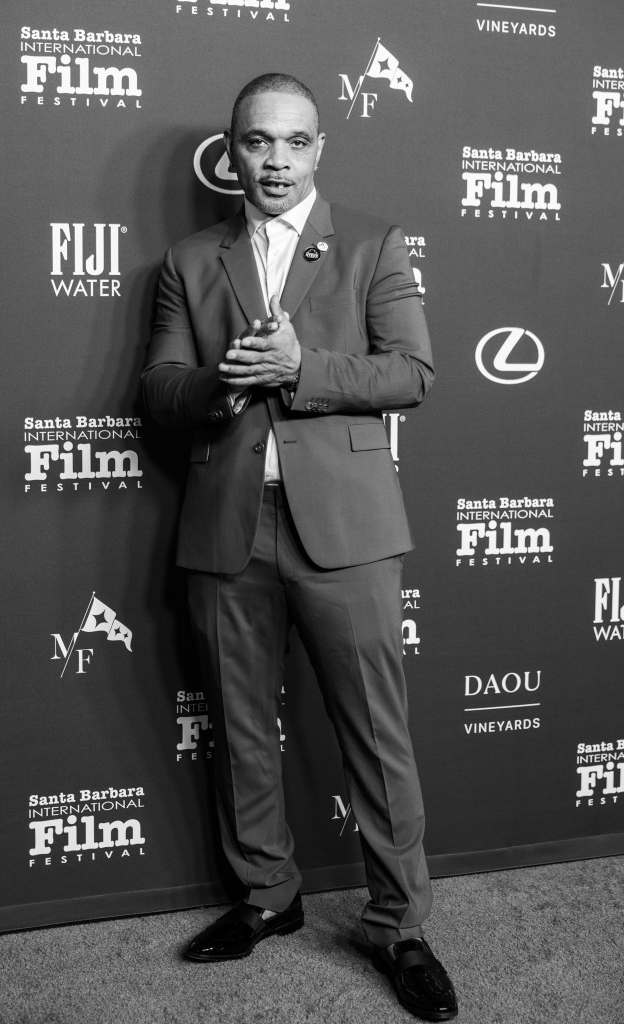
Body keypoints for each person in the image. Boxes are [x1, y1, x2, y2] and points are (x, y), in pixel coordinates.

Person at [142, 72, 457, 1022]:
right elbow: (158, 388)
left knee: (377, 735)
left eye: (293, 141)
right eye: (256, 141)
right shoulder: (188, 260)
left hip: (346, 532)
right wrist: (222, 385)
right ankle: (267, 894)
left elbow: (411, 373)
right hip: (227, 528)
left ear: (319, 148)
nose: (274, 160)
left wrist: (300, 368)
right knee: (242, 725)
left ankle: (397, 926)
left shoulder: (372, 242)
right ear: (231, 152)